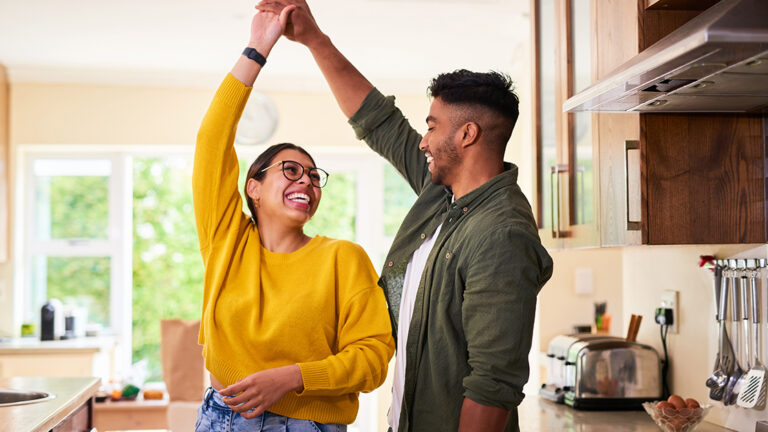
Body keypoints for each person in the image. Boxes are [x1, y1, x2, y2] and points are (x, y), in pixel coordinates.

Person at [255, 2, 554, 431]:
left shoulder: (501, 234)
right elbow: (380, 124)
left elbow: (493, 386)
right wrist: (314, 40)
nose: (423, 140)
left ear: (467, 135)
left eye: (432, 126)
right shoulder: (443, 196)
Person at [192, 6, 395, 431]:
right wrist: (258, 46)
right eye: (290, 169)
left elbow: (374, 358)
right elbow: (212, 140)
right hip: (221, 419)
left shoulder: (343, 259)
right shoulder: (226, 240)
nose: (306, 179)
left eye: (313, 175)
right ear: (254, 187)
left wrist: (293, 377)